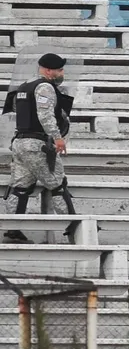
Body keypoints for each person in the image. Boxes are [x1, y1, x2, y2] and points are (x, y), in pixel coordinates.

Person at [2, 53, 77, 244]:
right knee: (58, 185)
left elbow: (16, 111)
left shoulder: (24, 86)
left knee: (20, 187)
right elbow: (45, 115)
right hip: (38, 145)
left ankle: (13, 230)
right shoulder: (44, 87)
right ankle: (76, 229)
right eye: (59, 70)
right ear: (48, 70)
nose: (62, 73)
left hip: (20, 143)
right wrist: (58, 138)